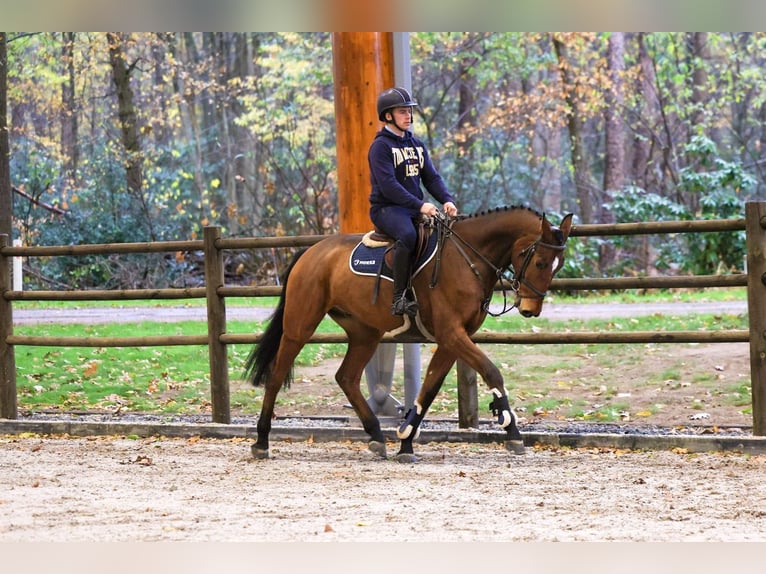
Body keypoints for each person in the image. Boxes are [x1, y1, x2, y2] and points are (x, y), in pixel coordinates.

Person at [368, 87, 458, 317]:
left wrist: (446, 199)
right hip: (387, 209)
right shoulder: (380, 147)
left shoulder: (416, 144)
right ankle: (398, 298)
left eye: (409, 111)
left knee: (445, 233)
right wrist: (420, 206)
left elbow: (431, 177)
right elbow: (389, 187)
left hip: (410, 208)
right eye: (402, 111)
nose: (408, 115)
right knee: (408, 235)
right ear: (388, 116)